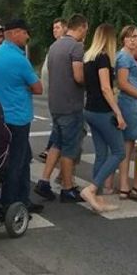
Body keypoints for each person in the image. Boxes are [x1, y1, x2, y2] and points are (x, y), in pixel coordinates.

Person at [0, 19, 43, 213]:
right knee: (17, 162)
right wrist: (25, 87)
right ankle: (12, 203)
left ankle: (21, 199)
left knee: (19, 157)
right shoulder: (19, 59)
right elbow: (38, 88)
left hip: (1, 116)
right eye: (25, 32)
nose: (27, 36)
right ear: (14, 33)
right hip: (18, 116)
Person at [37, 15, 89, 203]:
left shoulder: (54, 46)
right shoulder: (76, 47)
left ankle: (44, 180)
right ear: (81, 27)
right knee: (69, 147)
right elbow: (78, 76)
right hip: (70, 104)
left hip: (55, 103)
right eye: (86, 30)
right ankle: (68, 188)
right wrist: (89, 80)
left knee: (56, 143)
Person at [79, 24, 126, 214]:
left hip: (89, 109)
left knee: (101, 154)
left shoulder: (88, 57)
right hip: (102, 111)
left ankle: (96, 197)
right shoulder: (103, 58)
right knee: (119, 152)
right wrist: (118, 112)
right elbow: (106, 88)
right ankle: (91, 189)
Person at [115, 25, 137, 200]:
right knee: (129, 144)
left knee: (132, 144)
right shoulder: (123, 57)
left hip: (134, 104)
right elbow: (123, 83)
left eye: (136, 37)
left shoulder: (128, 56)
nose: (133, 40)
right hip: (130, 104)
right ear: (123, 39)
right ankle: (128, 184)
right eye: (129, 37)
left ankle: (131, 184)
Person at [37, 18, 68, 161]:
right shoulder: (54, 46)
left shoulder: (65, 46)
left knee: (59, 123)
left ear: (65, 28)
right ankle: (55, 149)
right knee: (59, 123)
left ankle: (51, 149)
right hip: (52, 92)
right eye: (54, 28)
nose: (54, 30)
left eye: (58, 27)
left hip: (60, 92)